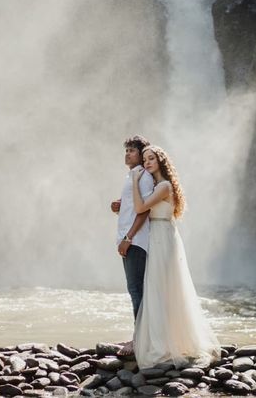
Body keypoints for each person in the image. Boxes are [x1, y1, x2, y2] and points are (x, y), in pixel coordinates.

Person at [131, 145, 221, 369]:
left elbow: (141, 207)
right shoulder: (157, 186)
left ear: (160, 161)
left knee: (161, 289)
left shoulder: (163, 186)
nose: (147, 163)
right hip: (161, 235)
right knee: (163, 289)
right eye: (144, 159)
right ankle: (167, 341)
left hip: (162, 236)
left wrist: (134, 181)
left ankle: (163, 346)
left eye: (151, 158)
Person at [111, 135, 154, 356]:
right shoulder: (132, 175)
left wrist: (128, 239)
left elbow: (145, 210)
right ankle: (141, 336)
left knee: (137, 290)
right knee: (136, 289)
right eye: (126, 150)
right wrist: (119, 205)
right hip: (129, 239)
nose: (127, 154)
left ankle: (140, 341)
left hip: (135, 241)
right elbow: (135, 206)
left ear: (141, 154)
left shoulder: (143, 176)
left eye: (131, 150)